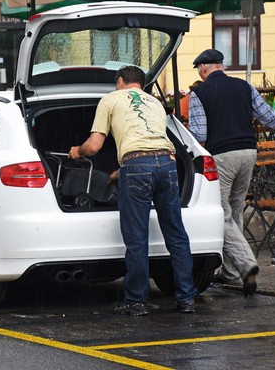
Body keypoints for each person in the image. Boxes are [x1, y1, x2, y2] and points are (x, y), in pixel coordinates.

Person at [69, 65, 198, 316]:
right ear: (141, 84)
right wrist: (122, 171)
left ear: (120, 82)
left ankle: (136, 301)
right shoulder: (155, 102)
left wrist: (77, 152)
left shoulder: (110, 100)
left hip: (137, 166)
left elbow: (94, 146)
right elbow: (150, 146)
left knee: (137, 237)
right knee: (176, 234)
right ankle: (186, 298)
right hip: (168, 164)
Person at [188, 49, 275, 296]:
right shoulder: (244, 87)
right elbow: (274, 119)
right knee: (234, 210)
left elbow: (200, 135)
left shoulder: (199, 92)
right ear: (220, 66)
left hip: (222, 156)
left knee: (220, 213)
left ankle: (246, 265)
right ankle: (231, 272)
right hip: (248, 153)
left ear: (203, 68)